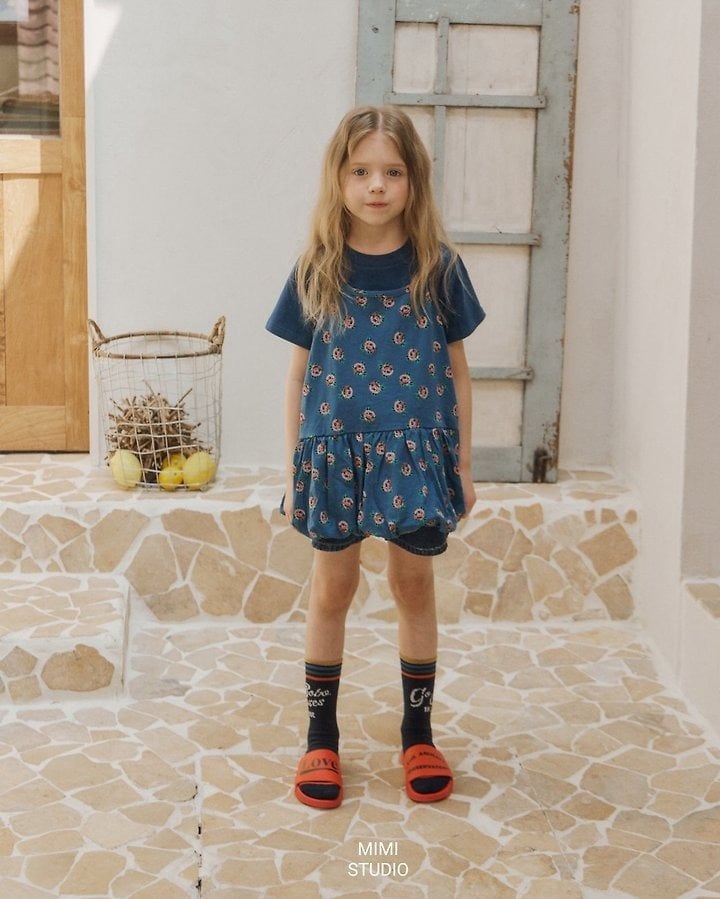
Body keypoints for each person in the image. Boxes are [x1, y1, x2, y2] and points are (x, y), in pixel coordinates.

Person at [266, 105, 485, 809]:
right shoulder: (317, 269)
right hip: (336, 461)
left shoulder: (438, 269)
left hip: (415, 458)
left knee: (413, 587)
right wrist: (295, 471)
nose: (377, 186)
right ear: (338, 179)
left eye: (392, 171)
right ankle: (320, 737)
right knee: (332, 591)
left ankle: (418, 733)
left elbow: (458, 372)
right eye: (360, 171)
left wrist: (463, 466)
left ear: (414, 180)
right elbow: (297, 378)